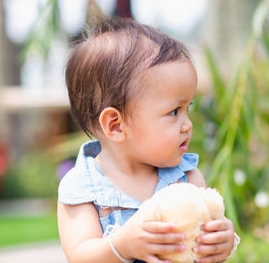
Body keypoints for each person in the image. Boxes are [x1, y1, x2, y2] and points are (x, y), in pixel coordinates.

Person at [57, 17, 239, 263]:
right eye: (174, 112)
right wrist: (122, 246)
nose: (188, 124)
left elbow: (202, 243)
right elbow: (81, 256)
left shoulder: (186, 178)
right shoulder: (82, 189)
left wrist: (222, 243)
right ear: (116, 125)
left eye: (188, 108)